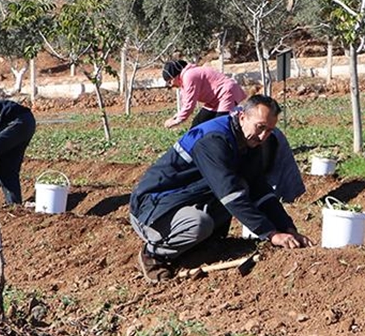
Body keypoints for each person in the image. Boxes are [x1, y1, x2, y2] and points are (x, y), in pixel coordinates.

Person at [130, 94, 313, 282]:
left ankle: (205, 245)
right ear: (242, 117)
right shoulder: (214, 140)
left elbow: (260, 188)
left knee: (242, 186)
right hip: (153, 209)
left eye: (269, 130)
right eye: (260, 127)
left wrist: (287, 228)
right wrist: (271, 234)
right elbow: (230, 194)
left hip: (186, 199)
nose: (263, 136)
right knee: (200, 222)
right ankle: (153, 254)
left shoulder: (249, 141)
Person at [161, 60, 247, 129]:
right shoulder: (184, 79)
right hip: (214, 100)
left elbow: (190, 104)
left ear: (175, 76)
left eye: (170, 82)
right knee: (198, 124)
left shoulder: (189, 76)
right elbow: (185, 102)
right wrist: (175, 117)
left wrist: (177, 121)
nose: (171, 85)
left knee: (220, 125)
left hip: (227, 94)